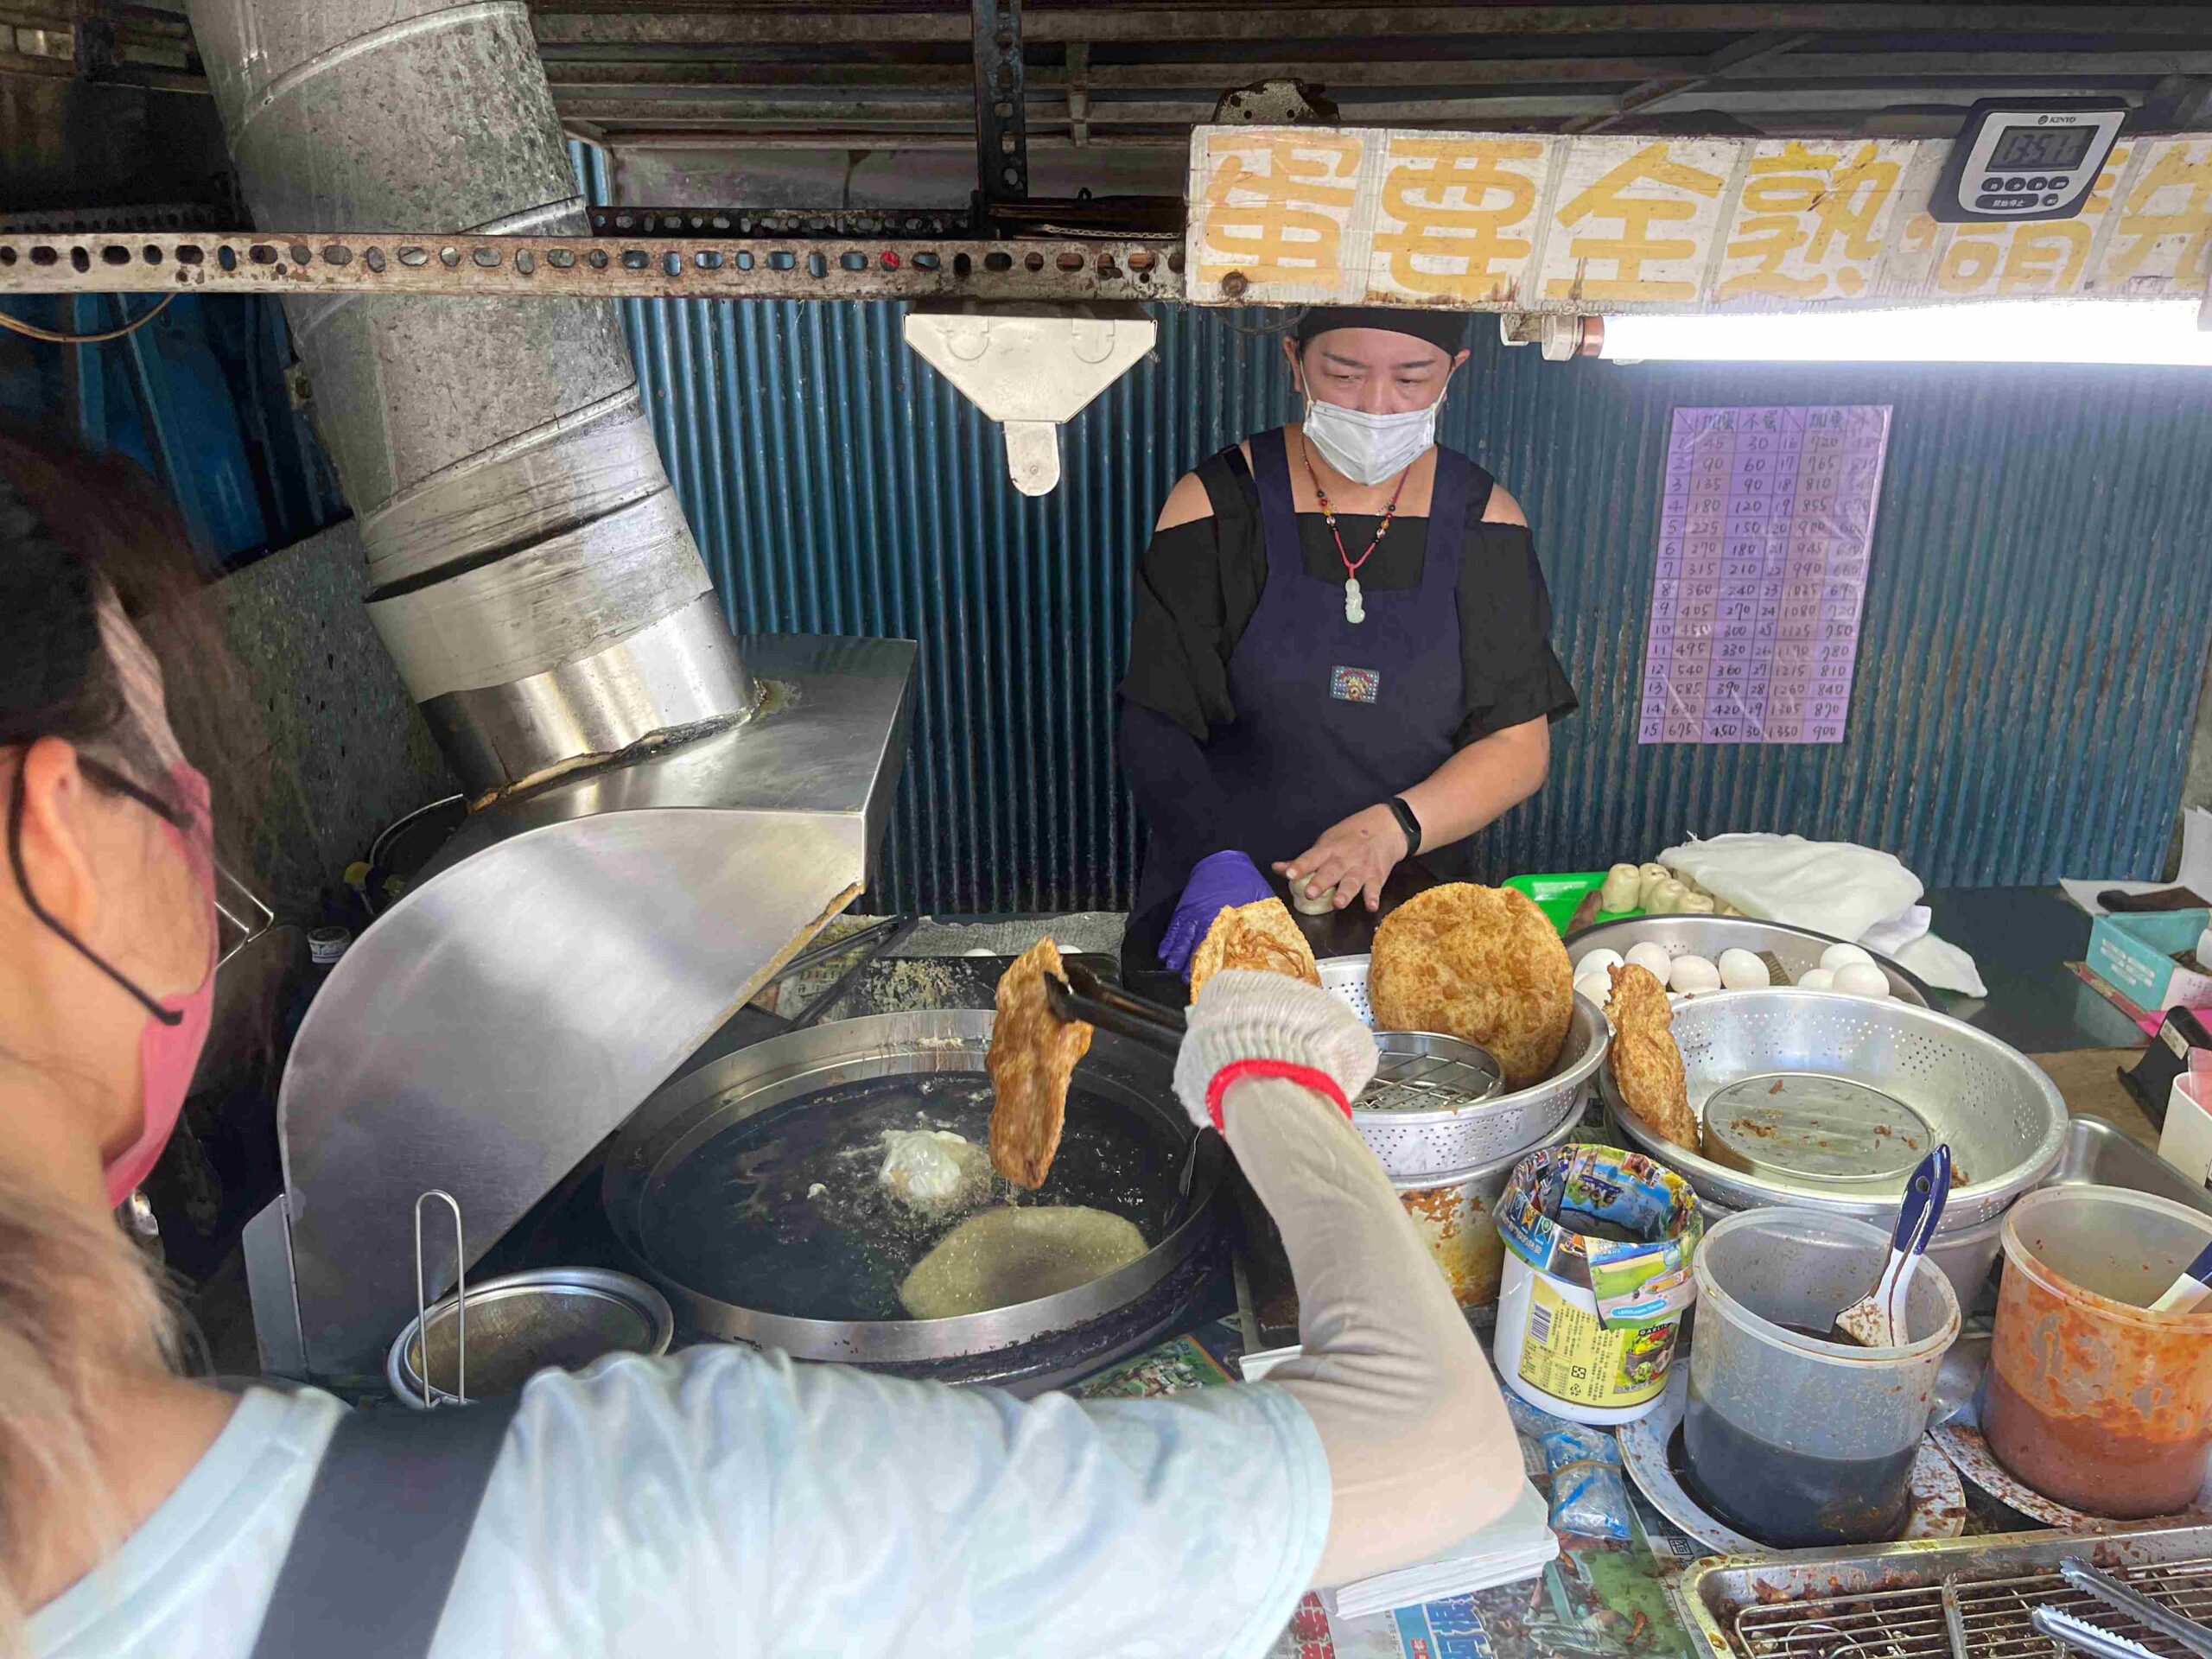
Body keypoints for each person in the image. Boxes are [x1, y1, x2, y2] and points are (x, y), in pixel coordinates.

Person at [2, 431, 1525, 1658]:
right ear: (63, 836)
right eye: (178, 773)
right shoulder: (650, 1520)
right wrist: (1270, 1071)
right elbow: (1439, 1450)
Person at [1120, 306, 1579, 979]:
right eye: (1344, 373)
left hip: (1416, 930)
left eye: (1412, 379)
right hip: (1222, 906)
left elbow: (1516, 744)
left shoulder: (1486, 521)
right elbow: (1157, 718)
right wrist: (1215, 861)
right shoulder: (1217, 506)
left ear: (1454, 373)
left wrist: (1394, 828)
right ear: (1295, 361)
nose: (1376, 406)